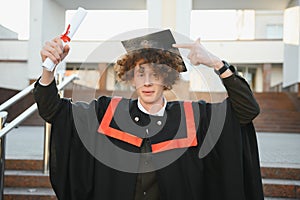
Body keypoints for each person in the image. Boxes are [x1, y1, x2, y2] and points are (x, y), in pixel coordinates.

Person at [34, 31, 264, 200]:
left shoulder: (193, 116)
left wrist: (215, 62)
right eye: (140, 73)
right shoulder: (107, 112)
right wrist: (49, 69)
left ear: (167, 78)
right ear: (130, 78)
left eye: (155, 73)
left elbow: (246, 110)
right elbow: (52, 110)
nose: (146, 82)